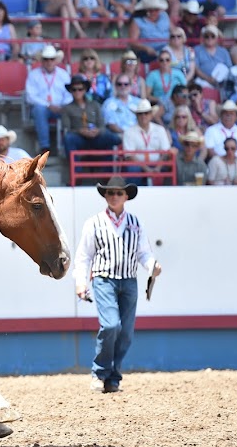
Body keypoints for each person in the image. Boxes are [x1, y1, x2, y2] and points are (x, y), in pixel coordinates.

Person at [73, 176, 162, 394]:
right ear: (105, 195)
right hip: (104, 279)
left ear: (126, 197)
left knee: (126, 333)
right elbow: (84, 256)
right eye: (110, 193)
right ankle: (99, 372)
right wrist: (80, 282)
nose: (114, 196)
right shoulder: (93, 222)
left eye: (118, 193)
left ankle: (113, 377)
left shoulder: (135, 222)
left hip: (129, 280)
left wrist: (152, 266)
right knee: (111, 325)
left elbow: (144, 252)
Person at [61, 74, 121, 162]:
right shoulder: (66, 108)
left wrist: (97, 131)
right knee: (68, 139)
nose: (77, 92)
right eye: (74, 90)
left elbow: (102, 125)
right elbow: (66, 128)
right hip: (79, 138)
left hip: (96, 136)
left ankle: (108, 173)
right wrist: (80, 131)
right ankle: (77, 173)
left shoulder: (95, 105)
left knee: (111, 138)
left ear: (85, 90)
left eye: (80, 89)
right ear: (71, 91)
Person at [25, 45, 72, 154]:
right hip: (43, 107)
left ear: (56, 60)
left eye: (52, 59)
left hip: (61, 107)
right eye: (46, 59)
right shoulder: (33, 74)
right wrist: (48, 105)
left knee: (70, 110)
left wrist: (62, 106)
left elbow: (69, 94)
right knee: (39, 110)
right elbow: (30, 96)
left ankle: (67, 146)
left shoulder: (63, 74)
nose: (49, 62)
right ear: (42, 60)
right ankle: (45, 146)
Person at [122, 99, 173, 182]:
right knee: (133, 169)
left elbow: (165, 153)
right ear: (137, 116)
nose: (143, 116)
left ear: (151, 115)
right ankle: (134, 193)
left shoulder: (160, 129)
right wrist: (146, 169)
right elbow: (129, 156)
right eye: (140, 113)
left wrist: (158, 167)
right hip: (137, 165)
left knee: (170, 167)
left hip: (157, 164)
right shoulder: (129, 132)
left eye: (146, 113)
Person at [204, 100, 237, 168]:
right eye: (225, 113)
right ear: (221, 115)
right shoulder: (211, 130)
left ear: (236, 117)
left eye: (231, 113)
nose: (228, 116)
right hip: (219, 167)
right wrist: (223, 165)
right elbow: (210, 151)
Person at [128, 0, 170, 65]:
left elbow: (174, 30)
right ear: (145, 10)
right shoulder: (137, 21)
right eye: (151, 10)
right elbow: (133, 42)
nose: (153, 12)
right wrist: (146, 48)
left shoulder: (164, 16)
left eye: (156, 10)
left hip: (166, 49)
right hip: (147, 52)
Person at [194, 25, 234, 96]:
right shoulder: (197, 50)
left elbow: (229, 67)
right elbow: (196, 68)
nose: (210, 38)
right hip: (203, 81)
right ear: (203, 38)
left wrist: (221, 79)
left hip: (223, 82)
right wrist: (207, 78)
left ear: (217, 38)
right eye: (207, 36)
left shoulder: (223, 51)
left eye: (212, 36)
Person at [146, 49, 187, 116]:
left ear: (171, 61)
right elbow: (147, 95)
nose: (164, 62)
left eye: (167, 60)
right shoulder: (152, 75)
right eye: (161, 60)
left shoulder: (178, 73)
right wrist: (159, 99)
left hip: (177, 104)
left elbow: (185, 91)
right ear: (158, 62)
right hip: (159, 105)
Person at [103, 73, 142, 141]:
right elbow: (111, 125)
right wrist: (127, 134)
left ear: (131, 86)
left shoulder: (139, 102)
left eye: (126, 84)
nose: (123, 86)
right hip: (119, 135)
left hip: (139, 134)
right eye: (119, 84)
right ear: (115, 86)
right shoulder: (109, 103)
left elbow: (144, 121)